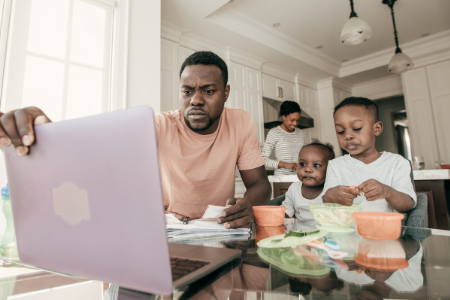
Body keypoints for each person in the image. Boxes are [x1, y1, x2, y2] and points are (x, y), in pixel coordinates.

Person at [0, 51, 272, 228]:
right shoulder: (159, 125)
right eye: (187, 91)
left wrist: (247, 204)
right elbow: (96, 158)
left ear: (225, 93)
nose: (196, 100)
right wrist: (46, 136)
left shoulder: (241, 122)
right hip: (168, 227)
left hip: (219, 228)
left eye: (208, 91)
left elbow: (259, 182)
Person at [323, 97, 416, 213]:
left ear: (377, 129)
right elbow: (325, 201)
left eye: (356, 128)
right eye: (340, 131)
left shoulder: (397, 163)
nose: (347, 136)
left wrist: (387, 192)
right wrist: (331, 195)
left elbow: (408, 204)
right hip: (346, 230)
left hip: (386, 229)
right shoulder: (335, 165)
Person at [281, 142, 335, 228]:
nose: (308, 169)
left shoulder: (332, 190)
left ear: (330, 169)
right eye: (302, 164)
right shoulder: (294, 188)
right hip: (301, 234)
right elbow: (286, 211)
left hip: (326, 235)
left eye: (316, 165)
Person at [262, 101, 306, 175]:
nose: (295, 123)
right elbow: (263, 159)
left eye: (297, 120)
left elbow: (304, 156)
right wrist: (286, 164)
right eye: (292, 120)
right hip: (282, 178)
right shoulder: (274, 132)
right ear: (283, 116)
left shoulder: (301, 133)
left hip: (300, 177)